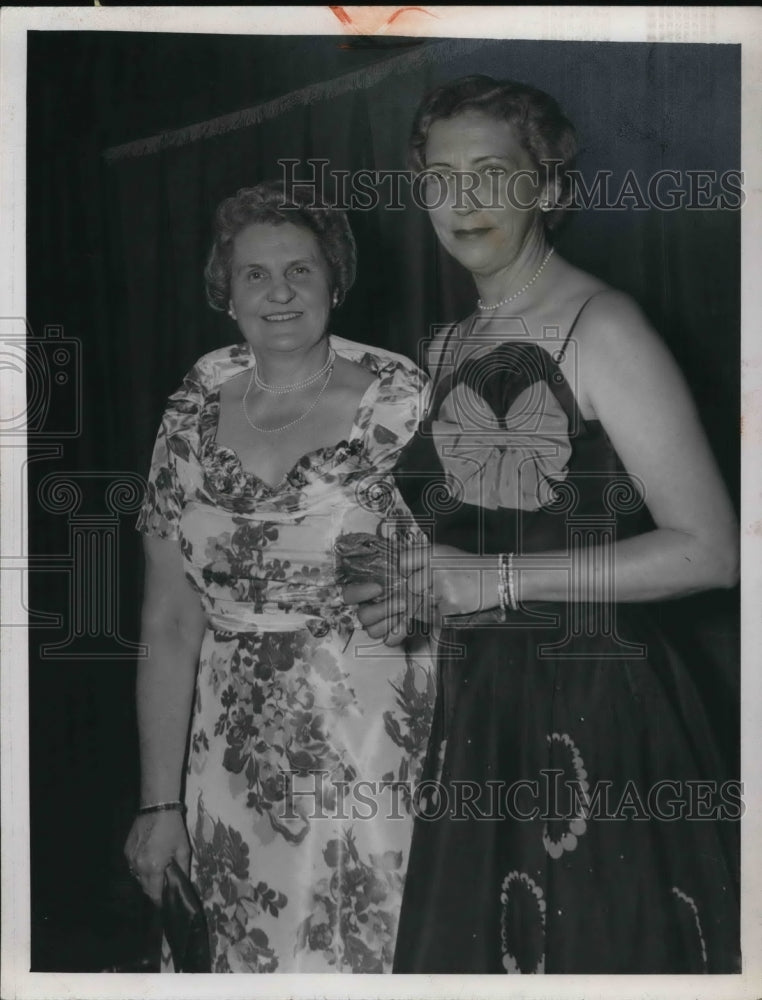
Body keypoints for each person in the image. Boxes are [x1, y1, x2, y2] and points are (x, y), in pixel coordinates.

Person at [346, 75, 741, 973]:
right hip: (481, 707)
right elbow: (472, 547)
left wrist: (495, 582)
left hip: (601, 706)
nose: (463, 200)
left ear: (551, 189)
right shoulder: (446, 345)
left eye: (492, 172)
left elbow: (713, 552)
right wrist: (417, 593)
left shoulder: (606, 328)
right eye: (440, 178)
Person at [123, 181, 434, 973]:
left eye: (300, 269)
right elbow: (167, 621)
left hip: (377, 751)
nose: (280, 291)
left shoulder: (405, 407)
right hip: (229, 759)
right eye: (255, 274)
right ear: (225, 294)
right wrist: (160, 803)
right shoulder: (189, 414)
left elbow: (468, 578)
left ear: (336, 280)